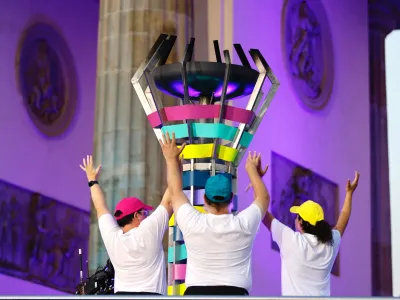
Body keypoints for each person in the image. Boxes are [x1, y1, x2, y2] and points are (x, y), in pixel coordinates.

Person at [159, 132, 270, 296]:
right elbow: (263, 198)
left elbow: (175, 191)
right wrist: (251, 171)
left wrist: (170, 159)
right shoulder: (243, 224)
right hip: (235, 295)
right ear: (231, 198)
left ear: (204, 198)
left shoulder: (193, 222)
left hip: (196, 295)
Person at [79, 155, 172, 295]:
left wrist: (92, 180)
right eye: (144, 213)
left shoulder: (113, 238)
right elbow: (169, 199)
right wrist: (174, 162)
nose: (147, 216)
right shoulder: (148, 230)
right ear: (136, 216)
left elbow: (100, 207)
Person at [263, 171, 360, 296]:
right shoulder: (329, 244)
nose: (295, 219)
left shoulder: (292, 241)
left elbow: (263, 214)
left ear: (301, 222)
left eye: (297, 216)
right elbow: (343, 220)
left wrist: (257, 186)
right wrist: (349, 194)